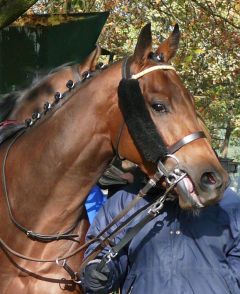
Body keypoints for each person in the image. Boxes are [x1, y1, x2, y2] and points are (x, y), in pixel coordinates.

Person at [80, 186, 240, 294]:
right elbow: (105, 249)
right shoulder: (128, 200)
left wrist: (227, 285)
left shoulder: (227, 203)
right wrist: (100, 270)